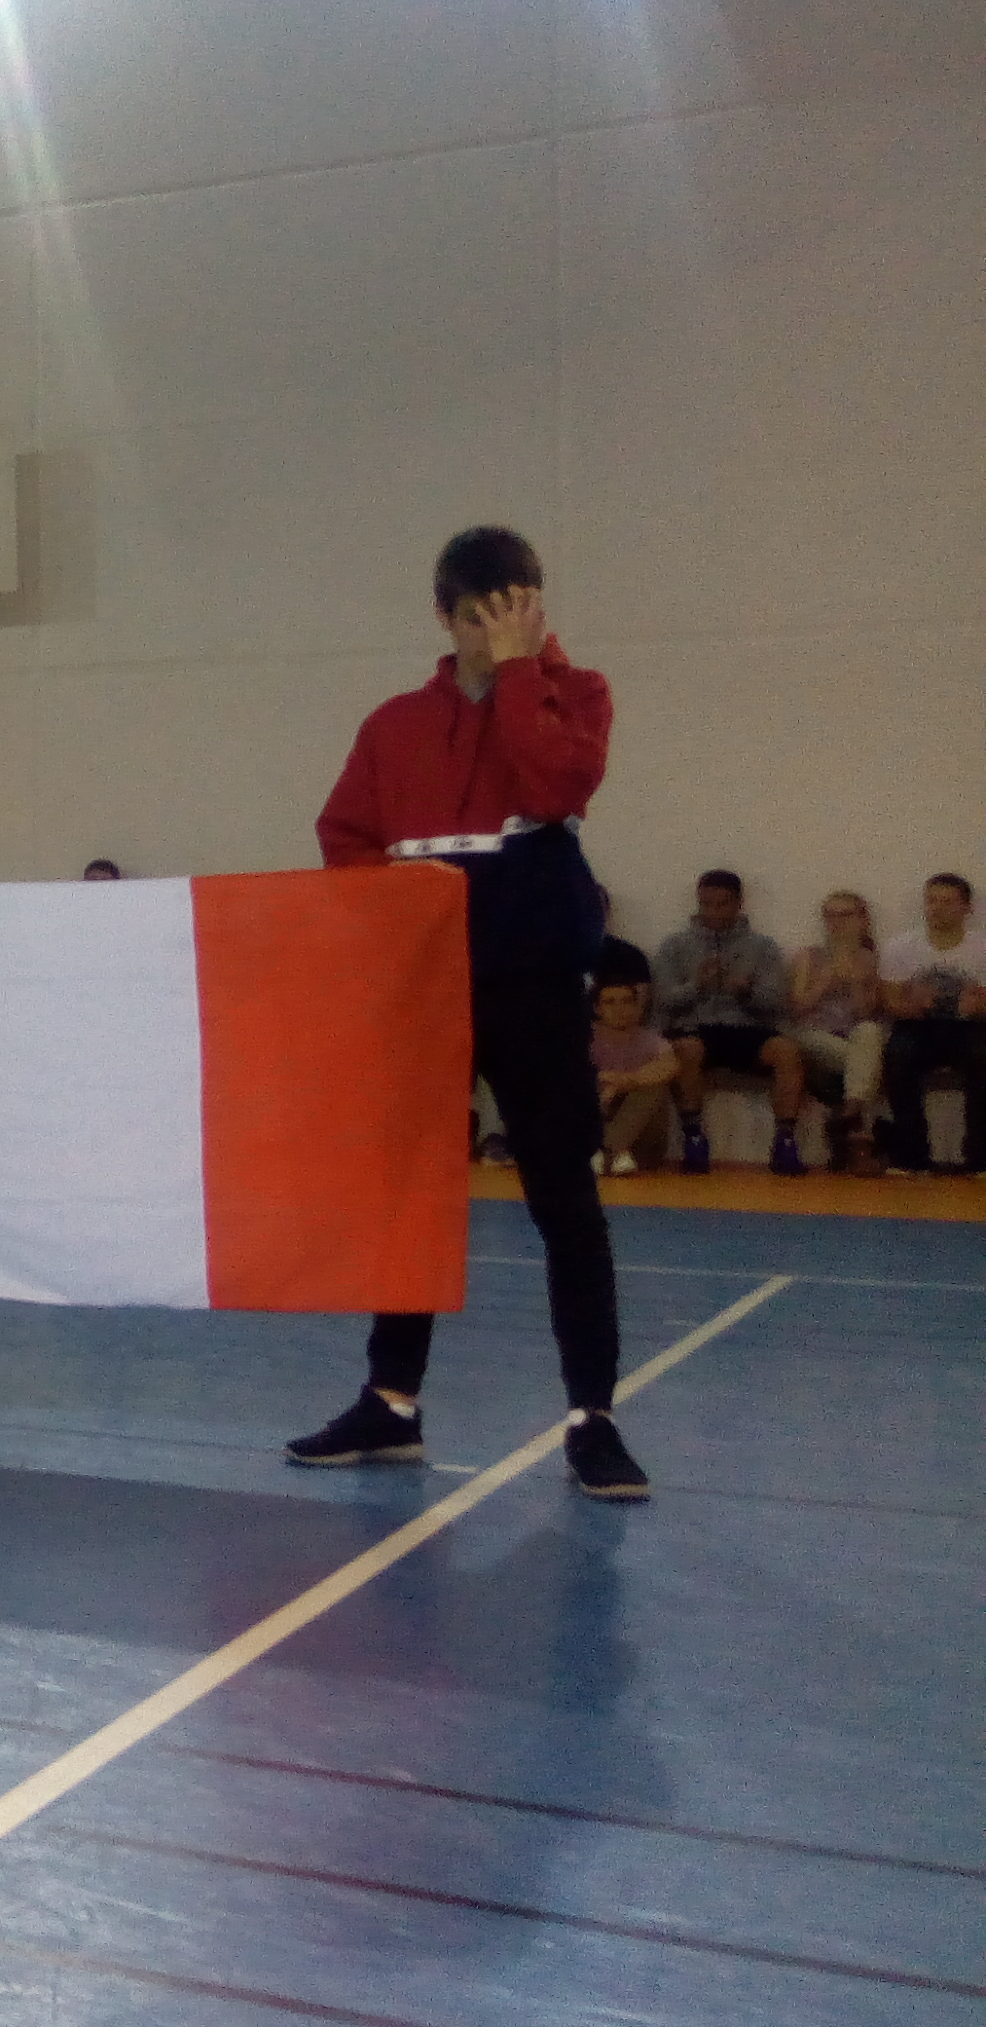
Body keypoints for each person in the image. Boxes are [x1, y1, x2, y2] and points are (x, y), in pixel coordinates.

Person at [284, 526, 647, 1501]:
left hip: (533, 990)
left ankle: (593, 1419)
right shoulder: (393, 726)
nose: (500, 631)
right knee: (409, 1197)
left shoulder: (578, 696)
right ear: (445, 619)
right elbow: (343, 836)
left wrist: (525, 675)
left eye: (517, 611)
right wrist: (400, 923)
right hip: (423, 992)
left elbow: (556, 785)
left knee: (563, 1201)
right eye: (481, 617)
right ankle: (390, 1403)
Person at [650, 870, 791, 1176]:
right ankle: (693, 1137)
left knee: (786, 1051)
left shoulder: (763, 947)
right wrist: (696, 986)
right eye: (706, 904)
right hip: (694, 1026)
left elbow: (776, 1002)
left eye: (721, 904)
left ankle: (785, 1141)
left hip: (746, 1027)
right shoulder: (675, 946)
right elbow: (663, 1000)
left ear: (738, 904)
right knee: (687, 1049)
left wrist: (746, 992)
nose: (713, 912)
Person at [877, 872, 983, 1175]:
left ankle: (980, 1158)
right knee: (898, 1056)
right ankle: (911, 1156)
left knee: (983, 1058)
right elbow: (890, 1001)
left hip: (969, 1026)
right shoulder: (901, 947)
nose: (937, 908)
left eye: (947, 902)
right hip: (918, 1025)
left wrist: (978, 1007)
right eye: (932, 900)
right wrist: (909, 1005)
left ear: (966, 908)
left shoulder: (982, 947)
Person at [783, 890, 886, 1175]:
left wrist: (855, 983)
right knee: (867, 1062)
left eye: (845, 915)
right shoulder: (808, 956)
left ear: (862, 920)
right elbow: (795, 1011)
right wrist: (824, 982)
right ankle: (856, 1123)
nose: (836, 922)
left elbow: (867, 1014)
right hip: (812, 1036)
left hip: (854, 1037)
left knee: (869, 1032)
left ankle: (850, 1111)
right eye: (830, 915)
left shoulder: (871, 959)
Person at [587, 976, 679, 1176]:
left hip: (641, 1148)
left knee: (653, 1087)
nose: (619, 1008)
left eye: (626, 1001)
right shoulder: (583, 1039)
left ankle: (607, 1149)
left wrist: (624, 1082)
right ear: (597, 1009)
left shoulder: (651, 1041)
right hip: (594, 1129)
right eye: (610, 1002)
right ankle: (610, 1151)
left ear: (637, 1007)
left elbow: (670, 1066)